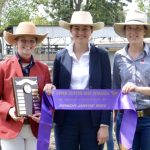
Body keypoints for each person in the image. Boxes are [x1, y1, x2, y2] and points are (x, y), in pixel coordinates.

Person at [44, 11, 111, 150]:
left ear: (91, 31)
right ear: (70, 30)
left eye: (85, 28)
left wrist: (104, 124)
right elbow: (56, 86)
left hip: (93, 119)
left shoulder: (102, 56)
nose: (81, 32)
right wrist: (51, 88)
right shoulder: (60, 56)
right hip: (65, 118)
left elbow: (107, 91)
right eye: (77, 28)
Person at [0, 22, 51, 150]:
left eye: (31, 41)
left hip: (36, 129)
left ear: (35, 43)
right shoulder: (3, 67)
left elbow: (49, 100)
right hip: (11, 128)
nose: (28, 44)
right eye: (23, 40)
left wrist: (45, 114)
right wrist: (9, 110)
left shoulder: (44, 69)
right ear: (16, 42)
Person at [113, 9, 150, 150]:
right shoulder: (118, 56)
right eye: (129, 28)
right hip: (125, 118)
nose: (133, 31)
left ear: (145, 31)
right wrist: (115, 118)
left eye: (138, 28)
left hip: (148, 118)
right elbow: (115, 89)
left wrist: (137, 88)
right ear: (125, 31)